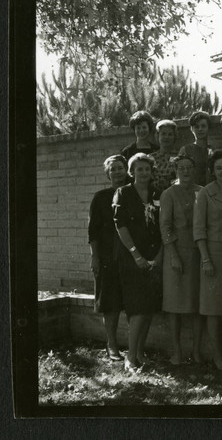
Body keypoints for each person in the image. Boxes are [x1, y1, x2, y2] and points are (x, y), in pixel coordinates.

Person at [112, 153, 163, 372]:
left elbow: (164, 227)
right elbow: (121, 226)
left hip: (154, 258)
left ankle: (140, 353)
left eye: (147, 169)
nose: (144, 173)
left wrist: (158, 256)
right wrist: (137, 255)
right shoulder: (123, 193)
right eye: (139, 169)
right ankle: (130, 357)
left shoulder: (157, 194)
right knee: (138, 308)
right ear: (132, 172)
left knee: (149, 307)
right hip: (132, 259)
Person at [193, 150, 222, 371]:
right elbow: (199, 230)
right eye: (218, 168)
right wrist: (206, 259)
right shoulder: (205, 194)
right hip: (213, 255)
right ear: (212, 171)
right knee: (213, 308)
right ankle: (217, 355)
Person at [160, 155, 203, 365]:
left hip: (197, 254)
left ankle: (196, 351)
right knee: (175, 305)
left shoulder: (201, 191)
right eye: (181, 168)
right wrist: (174, 256)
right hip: (175, 255)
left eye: (189, 167)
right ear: (176, 170)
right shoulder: (169, 194)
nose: (185, 171)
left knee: (196, 304)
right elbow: (165, 227)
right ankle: (176, 351)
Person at [88, 154, 128, 361]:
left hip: (129, 255)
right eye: (113, 169)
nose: (117, 172)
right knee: (110, 302)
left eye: (121, 168)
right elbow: (93, 231)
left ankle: (134, 345)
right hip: (106, 256)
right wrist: (95, 257)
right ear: (107, 174)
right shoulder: (100, 197)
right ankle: (111, 345)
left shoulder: (133, 194)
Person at [178, 110, 212, 186]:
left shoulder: (214, 149)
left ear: (208, 128)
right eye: (197, 127)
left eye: (203, 126)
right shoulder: (186, 150)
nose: (200, 129)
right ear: (192, 129)